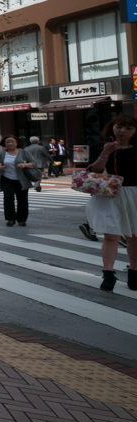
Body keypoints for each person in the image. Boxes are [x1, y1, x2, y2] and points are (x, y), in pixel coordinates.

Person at [84, 114, 137, 291]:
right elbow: (94, 171)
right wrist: (105, 153)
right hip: (109, 194)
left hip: (134, 193)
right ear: (112, 127)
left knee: (134, 237)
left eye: (128, 128)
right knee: (111, 235)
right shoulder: (101, 145)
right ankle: (108, 273)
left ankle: (134, 273)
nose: (122, 131)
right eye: (119, 127)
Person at [0, 135, 36, 227]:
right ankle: (10, 219)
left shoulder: (24, 152)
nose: (10, 143)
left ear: (16, 143)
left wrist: (25, 165)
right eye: (8, 142)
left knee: (22, 200)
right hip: (7, 180)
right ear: (4, 144)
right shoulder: (1, 153)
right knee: (8, 198)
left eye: (12, 141)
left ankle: (22, 219)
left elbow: (34, 163)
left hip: (22, 180)